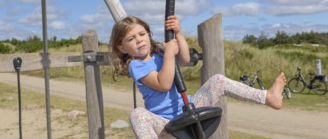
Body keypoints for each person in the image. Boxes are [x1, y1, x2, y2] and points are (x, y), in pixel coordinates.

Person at [109, 15, 286, 138]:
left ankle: (268, 97)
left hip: (189, 110)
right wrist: (170, 54)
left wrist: (178, 33)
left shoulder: (160, 52)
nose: (139, 40)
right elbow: (163, 84)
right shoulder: (136, 65)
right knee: (137, 114)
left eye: (142, 34)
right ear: (122, 48)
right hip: (166, 125)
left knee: (217, 80)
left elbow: (185, 59)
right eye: (131, 39)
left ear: (148, 34)